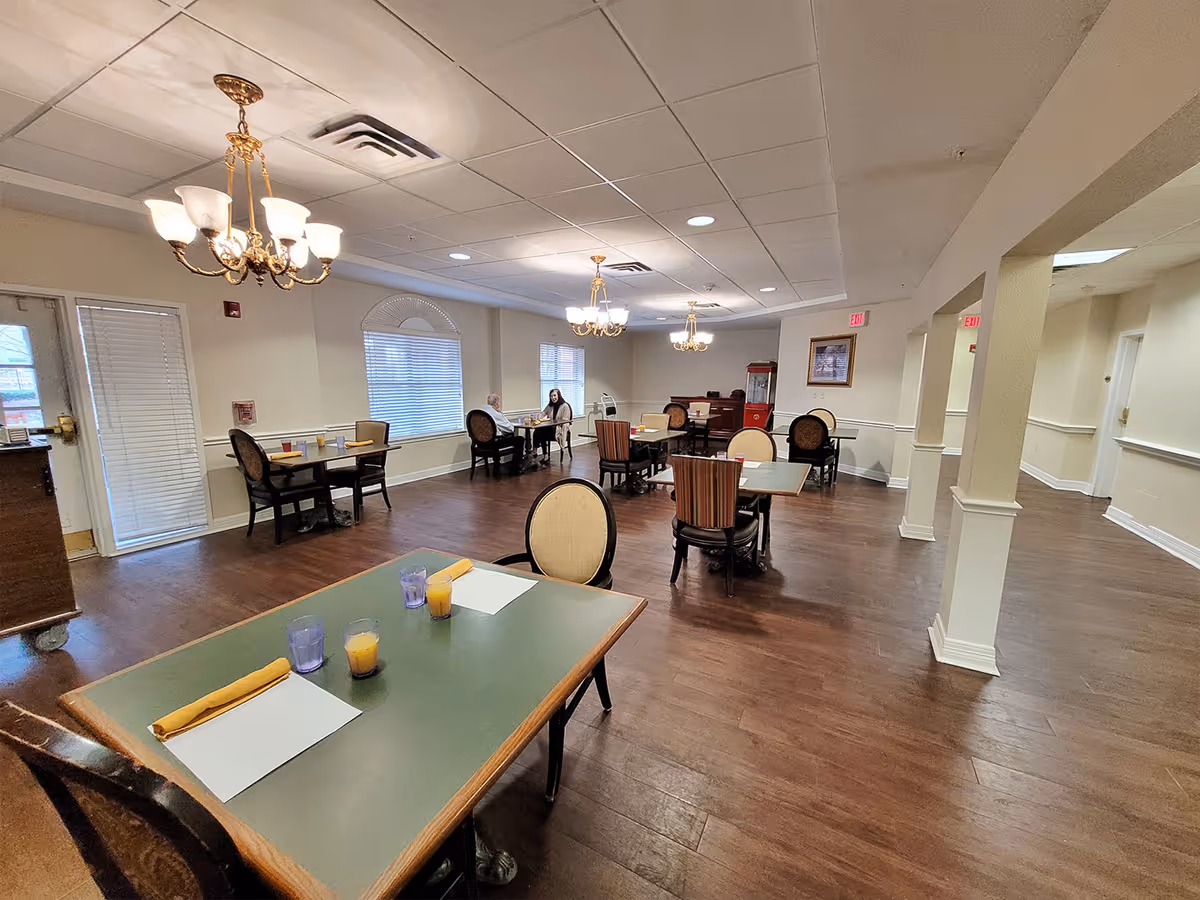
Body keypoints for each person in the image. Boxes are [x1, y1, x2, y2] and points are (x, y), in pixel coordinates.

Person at [482, 392, 525, 470]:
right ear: (496, 403)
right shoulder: (495, 414)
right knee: (519, 439)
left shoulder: (482, 411)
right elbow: (510, 429)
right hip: (493, 443)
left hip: (481, 443)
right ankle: (516, 467)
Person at [533, 387, 571, 461]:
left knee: (541, 432)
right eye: (551, 396)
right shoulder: (550, 406)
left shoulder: (565, 406)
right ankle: (536, 451)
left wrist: (555, 423)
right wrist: (536, 417)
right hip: (550, 428)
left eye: (554, 395)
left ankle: (538, 452)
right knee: (538, 430)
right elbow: (543, 413)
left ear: (558, 395)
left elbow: (565, 421)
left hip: (559, 429)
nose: (553, 398)